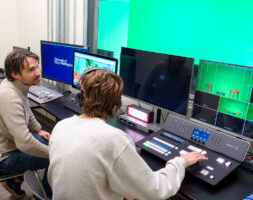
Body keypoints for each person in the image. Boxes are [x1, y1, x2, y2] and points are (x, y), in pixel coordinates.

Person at [48, 69, 207, 200]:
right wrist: (180, 162)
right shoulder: (114, 139)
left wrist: (123, 188)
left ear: (80, 98)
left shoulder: (61, 126)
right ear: (116, 106)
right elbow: (155, 190)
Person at [0, 49, 52, 199]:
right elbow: (25, 144)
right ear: (15, 73)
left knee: (49, 141)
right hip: (4, 157)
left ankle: (13, 181)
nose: (38, 73)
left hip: (3, 144)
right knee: (56, 157)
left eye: (37, 67)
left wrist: (39, 130)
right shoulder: (10, 97)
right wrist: (53, 153)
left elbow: (26, 109)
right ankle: (43, 196)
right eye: (31, 70)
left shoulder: (15, 84)